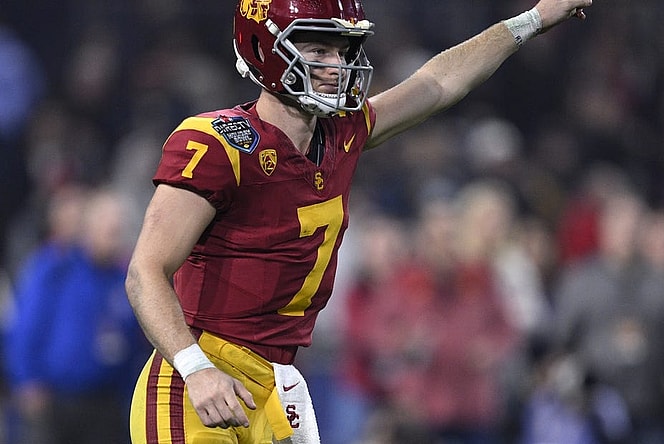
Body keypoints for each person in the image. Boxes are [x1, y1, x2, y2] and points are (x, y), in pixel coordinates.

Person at [125, 0, 594, 442]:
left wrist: (532, 20)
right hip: (199, 376)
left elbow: (438, 83)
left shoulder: (343, 132)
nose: (336, 65)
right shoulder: (219, 143)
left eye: (342, 50)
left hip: (276, 382)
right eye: (318, 50)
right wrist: (196, 368)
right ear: (264, 48)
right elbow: (145, 273)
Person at [4, 186, 149, 444]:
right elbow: (27, 326)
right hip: (56, 400)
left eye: (119, 230)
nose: (116, 238)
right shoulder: (57, 268)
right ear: (88, 229)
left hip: (107, 403)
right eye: (110, 230)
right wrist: (27, 379)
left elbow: (134, 342)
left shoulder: (123, 278)